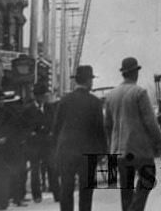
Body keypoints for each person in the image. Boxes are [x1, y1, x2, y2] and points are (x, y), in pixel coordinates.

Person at [104, 57, 161, 211]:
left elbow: (108, 126)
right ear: (135, 73)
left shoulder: (111, 95)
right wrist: (159, 141)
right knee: (148, 180)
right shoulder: (139, 92)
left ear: (123, 74)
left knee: (126, 190)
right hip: (139, 149)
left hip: (119, 152)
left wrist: (112, 147)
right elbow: (151, 122)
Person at [53, 65, 107, 211]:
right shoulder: (95, 102)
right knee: (86, 192)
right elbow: (100, 130)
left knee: (66, 189)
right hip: (87, 153)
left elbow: (56, 128)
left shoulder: (64, 100)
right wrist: (103, 152)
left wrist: (55, 151)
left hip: (66, 152)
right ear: (88, 81)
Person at [24, 82, 58, 204]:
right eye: (41, 95)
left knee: (52, 167)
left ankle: (56, 193)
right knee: (35, 170)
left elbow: (54, 123)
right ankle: (36, 195)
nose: (43, 98)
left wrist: (51, 133)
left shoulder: (50, 108)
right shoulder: (28, 109)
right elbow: (25, 127)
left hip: (47, 143)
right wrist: (32, 134)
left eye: (44, 95)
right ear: (36, 96)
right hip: (34, 144)